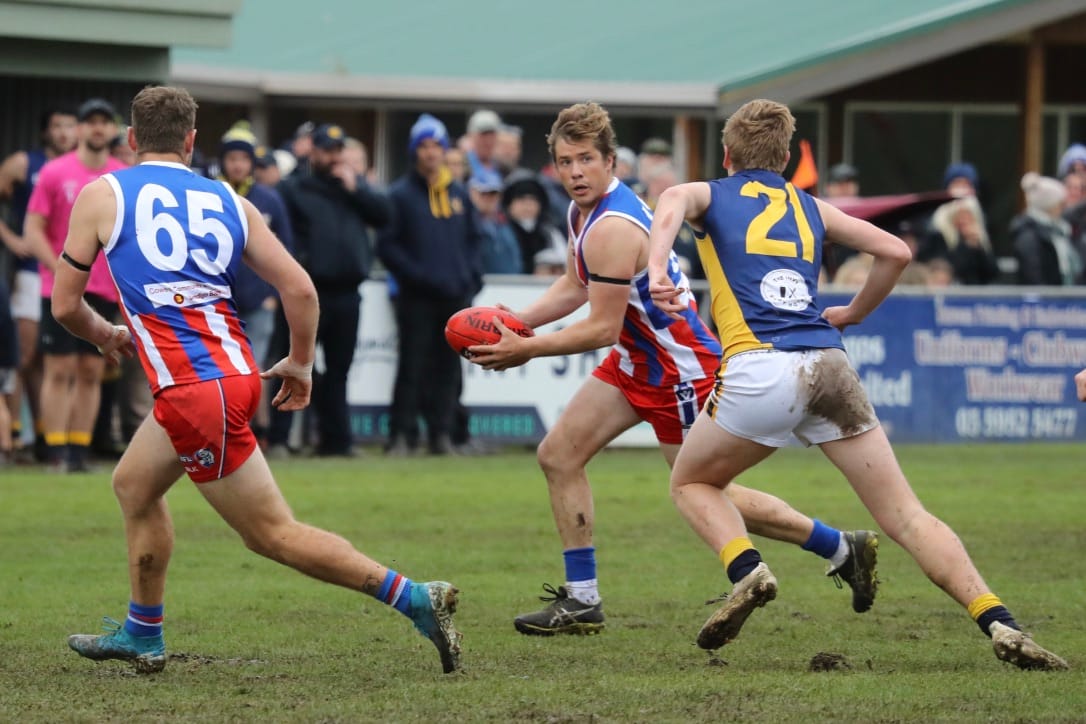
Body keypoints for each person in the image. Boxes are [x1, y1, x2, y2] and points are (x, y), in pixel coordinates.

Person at [644, 98, 1066, 670]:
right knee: (907, 516)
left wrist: (657, 268)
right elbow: (896, 251)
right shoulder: (810, 206)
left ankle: (748, 569)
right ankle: (999, 621)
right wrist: (854, 312)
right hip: (829, 363)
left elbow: (671, 198)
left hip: (761, 364)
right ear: (786, 159)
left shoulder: (712, 194)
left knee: (691, 482)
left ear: (726, 155)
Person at [55, 85, 461, 675]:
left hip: (195, 391)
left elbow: (66, 306)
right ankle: (142, 632)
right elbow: (300, 289)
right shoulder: (231, 199)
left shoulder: (103, 193)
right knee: (134, 486)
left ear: (132, 139)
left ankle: (415, 597)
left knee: (272, 534)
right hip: (232, 375)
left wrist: (105, 333)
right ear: (192, 141)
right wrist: (300, 362)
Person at [467, 102, 880, 636]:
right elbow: (575, 283)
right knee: (558, 455)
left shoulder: (612, 227)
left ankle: (839, 547)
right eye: (565, 161)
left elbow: (602, 328)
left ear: (610, 160)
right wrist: (519, 321)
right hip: (636, 363)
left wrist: (527, 348)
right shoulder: (581, 213)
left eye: (586, 159)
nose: (575, 172)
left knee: (710, 493)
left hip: (679, 371)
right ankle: (582, 599)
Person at [24, 98, 127, 472]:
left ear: (113, 130)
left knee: (90, 370)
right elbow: (33, 229)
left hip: (104, 289)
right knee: (60, 368)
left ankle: (79, 451)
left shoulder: (121, 177)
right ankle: (55, 449)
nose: (97, 128)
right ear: (80, 129)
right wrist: (61, 270)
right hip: (60, 289)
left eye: (104, 122)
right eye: (90, 121)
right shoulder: (55, 172)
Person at [277, 123, 390, 457]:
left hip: (347, 292)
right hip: (308, 292)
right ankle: (280, 440)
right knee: (296, 364)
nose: (333, 157)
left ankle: (338, 441)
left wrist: (358, 188)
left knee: (340, 370)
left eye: (338, 151)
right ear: (313, 151)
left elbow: (385, 215)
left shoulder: (352, 187)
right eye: (327, 150)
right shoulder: (294, 188)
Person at [377, 113, 482, 456]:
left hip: (455, 295)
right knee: (411, 366)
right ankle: (400, 435)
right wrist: (418, 276)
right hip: (417, 297)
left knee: (448, 369)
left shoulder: (458, 193)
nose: (431, 152)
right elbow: (387, 247)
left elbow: (474, 240)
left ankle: (442, 435)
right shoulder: (399, 195)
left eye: (436, 145)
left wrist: (470, 278)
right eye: (423, 146)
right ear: (414, 151)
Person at [0, 106, 78, 459]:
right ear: (46, 131)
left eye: (69, 126)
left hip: (72, 272)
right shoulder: (23, 163)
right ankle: (16, 434)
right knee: (24, 355)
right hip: (33, 271)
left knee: (58, 360)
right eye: (57, 126)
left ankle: (49, 435)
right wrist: (12, 239)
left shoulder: (84, 170)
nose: (63, 132)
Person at [1012, 172, 1080, 285]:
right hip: (1045, 295)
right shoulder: (1028, 236)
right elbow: (1033, 276)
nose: (1063, 208)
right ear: (1049, 205)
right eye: (1060, 204)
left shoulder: (1060, 232)